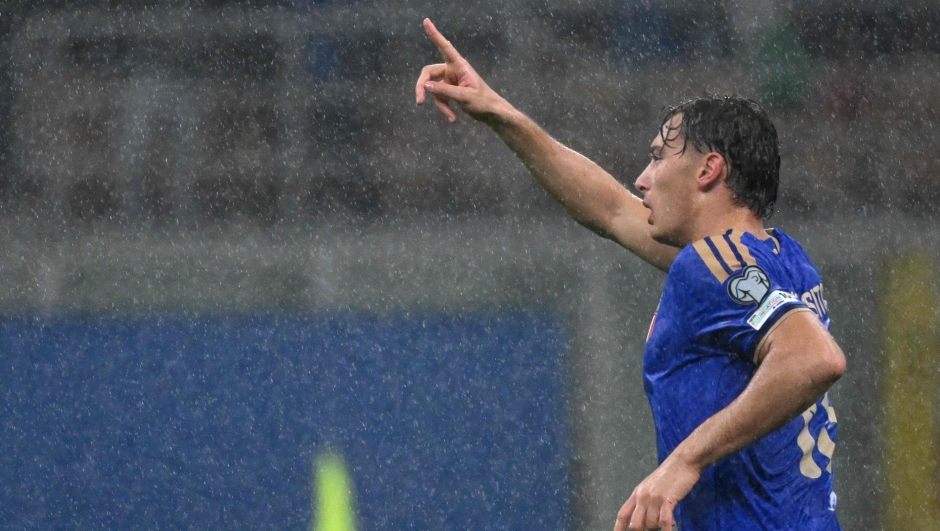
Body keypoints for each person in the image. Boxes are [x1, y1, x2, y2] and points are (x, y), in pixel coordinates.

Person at [415, 18, 846, 531]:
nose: (642, 179)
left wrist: (683, 461)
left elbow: (815, 358)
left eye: (659, 156)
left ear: (708, 170)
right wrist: (499, 112)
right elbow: (610, 210)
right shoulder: (780, 257)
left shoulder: (712, 264)